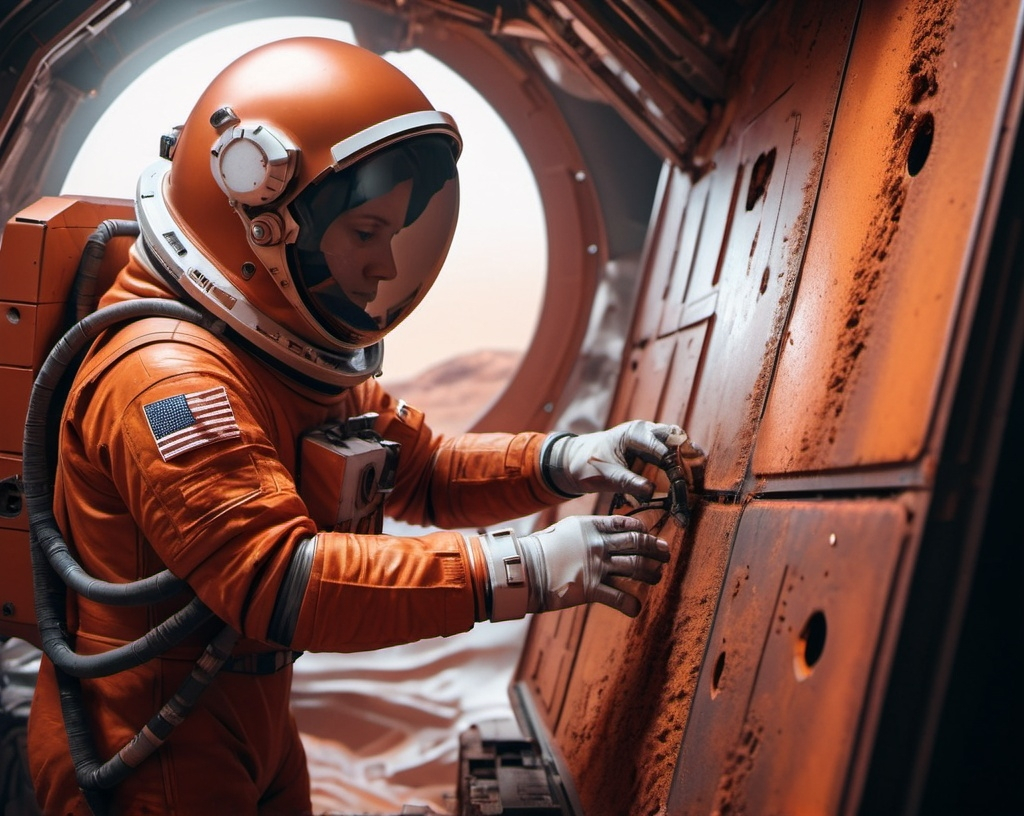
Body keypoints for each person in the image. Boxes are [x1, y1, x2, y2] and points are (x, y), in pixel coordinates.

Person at [25, 37, 681, 815]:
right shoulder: (167, 380)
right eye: (365, 234)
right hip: (151, 739)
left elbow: (423, 471)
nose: (381, 267)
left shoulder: (279, 353)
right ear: (262, 218)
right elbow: (281, 581)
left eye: (391, 237)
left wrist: (568, 459)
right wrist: (523, 570)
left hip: (245, 709)